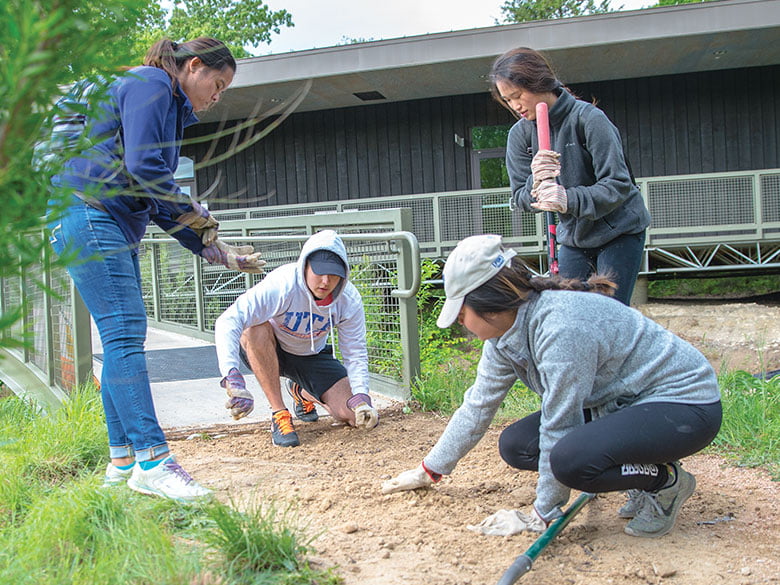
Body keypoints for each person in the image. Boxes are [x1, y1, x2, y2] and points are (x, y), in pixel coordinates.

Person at [382, 234, 722, 539]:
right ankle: (637, 474)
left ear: (489, 303)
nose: (458, 320)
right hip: (621, 404)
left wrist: (541, 515)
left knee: (571, 461)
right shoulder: (505, 336)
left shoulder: (559, 327)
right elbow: (477, 406)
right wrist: (429, 470)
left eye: (460, 311)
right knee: (517, 445)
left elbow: (560, 422)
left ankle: (665, 483)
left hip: (683, 406)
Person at [47, 37, 265, 502]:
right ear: (192, 66)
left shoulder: (164, 105)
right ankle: (153, 461)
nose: (217, 96)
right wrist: (203, 221)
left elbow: (155, 196)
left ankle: (123, 463)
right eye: (218, 83)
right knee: (126, 334)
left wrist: (214, 249)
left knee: (118, 337)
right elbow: (146, 169)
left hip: (98, 219)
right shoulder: (150, 84)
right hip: (89, 214)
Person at [491, 47, 651, 305]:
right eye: (507, 100)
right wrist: (536, 180)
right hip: (573, 238)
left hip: (619, 230)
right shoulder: (519, 135)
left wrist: (567, 198)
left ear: (539, 82)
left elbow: (618, 184)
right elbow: (520, 197)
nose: (515, 106)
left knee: (608, 312)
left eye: (518, 95)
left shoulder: (588, 119)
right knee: (567, 310)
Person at [214, 229, 380, 447]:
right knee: (254, 327)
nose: (325, 281)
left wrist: (360, 396)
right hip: (269, 348)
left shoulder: (348, 299)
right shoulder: (282, 284)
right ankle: (279, 413)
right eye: (318, 272)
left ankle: (301, 391)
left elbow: (355, 351)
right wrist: (232, 376)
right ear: (305, 265)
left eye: (333, 273)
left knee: (355, 416)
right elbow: (228, 320)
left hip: (311, 355)